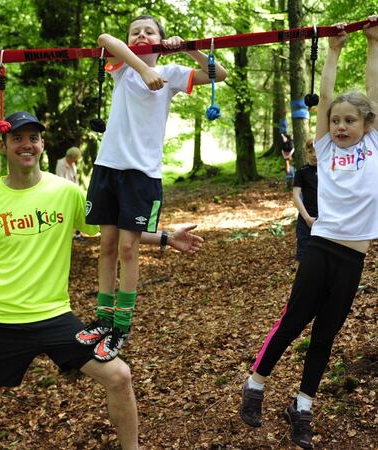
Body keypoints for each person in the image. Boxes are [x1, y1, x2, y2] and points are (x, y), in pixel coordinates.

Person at [0, 111, 204, 449]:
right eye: (17, 138)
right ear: (3, 145)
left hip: (55, 315)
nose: (26, 145)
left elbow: (109, 233)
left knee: (119, 376)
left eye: (33, 138)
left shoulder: (67, 192)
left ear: (42, 144)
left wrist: (164, 237)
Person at [239, 17, 378, 449]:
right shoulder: (324, 149)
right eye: (336, 121)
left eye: (350, 120)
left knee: (326, 333)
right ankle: (255, 383)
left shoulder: (372, 144)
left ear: (366, 124)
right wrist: (334, 50)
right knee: (294, 320)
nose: (342, 126)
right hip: (322, 245)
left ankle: (302, 406)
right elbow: (325, 95)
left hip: (353, 256)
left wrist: (374, 43)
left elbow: (374, 88)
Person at [80, 15, 227, 362]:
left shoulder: (173, 73)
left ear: (160, 41)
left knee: (130, 249)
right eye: (136, 31)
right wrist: (142, 69)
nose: (142, 35)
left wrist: (188, 48)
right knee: (108, 247)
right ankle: (102, 319)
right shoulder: (121, 68)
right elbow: (104, 36)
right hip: (107, 167)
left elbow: (218, 74)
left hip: (143, 174)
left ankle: (121, 324)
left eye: (150, 31)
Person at [291, 138, 318, 262]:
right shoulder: (301, 172)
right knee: (304, 255)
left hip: (325, 218)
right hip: (306, 219)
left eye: (317, 151)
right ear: (306, 152)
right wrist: (307, 218)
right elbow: (296, 195)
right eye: (310, 151)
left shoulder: (328, 170)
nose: (314, 155)